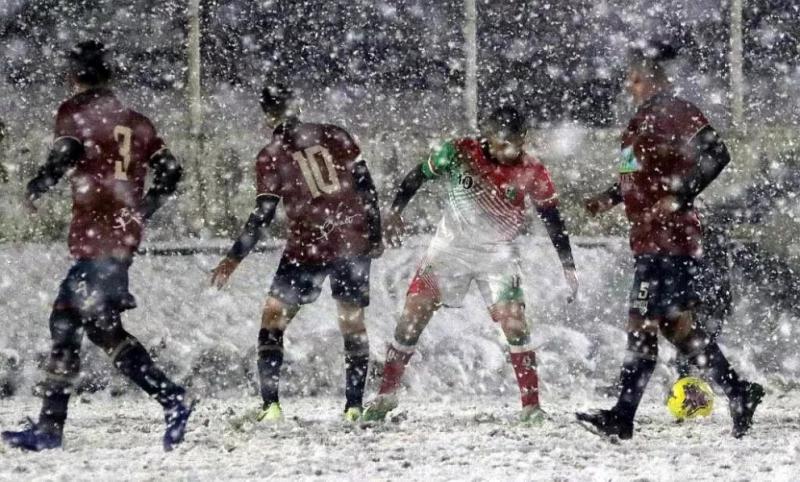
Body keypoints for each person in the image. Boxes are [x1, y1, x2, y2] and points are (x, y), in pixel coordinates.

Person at [2, 41, 192, 452]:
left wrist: (40, 182)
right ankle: (170, 397)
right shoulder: (137, 122)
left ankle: (53, 427)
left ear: (75, 77)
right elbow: (172, 171)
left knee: (65, 320)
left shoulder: (74, 112)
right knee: (100, 329)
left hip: (97, 240)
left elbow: (67, 150)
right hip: (119, 239)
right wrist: (141, 211)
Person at [577, 43, 763, 439]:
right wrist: (608, 199)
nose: (631, 86)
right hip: (648, 240)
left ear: (657, 79)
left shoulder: (673, 110)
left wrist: (681, 195)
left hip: (670, 241)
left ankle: (622, 418)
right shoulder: (638, 122)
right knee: (677, 330)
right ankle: (739, 391)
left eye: (638, 79)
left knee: (640, 325)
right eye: (629, 80)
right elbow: (636, 178)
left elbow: (717, 153)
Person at [362, 106, 578, 424]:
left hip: (496, 255)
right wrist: (395, 211)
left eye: (514, 144)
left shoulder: (532, 170)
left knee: (515, 323)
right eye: (501, 143)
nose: (508, 151)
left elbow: (552, 218)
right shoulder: (460, 152)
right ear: (487, 137)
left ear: (524, 139)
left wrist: (568, 265)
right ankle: (386, 394)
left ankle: (531, 406)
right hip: (449, 251)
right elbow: (418, 175)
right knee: (412, 316)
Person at [210, 83, 382, 422]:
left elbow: (263, 215)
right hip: (350, 239)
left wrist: (233, 257)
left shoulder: (271, 154)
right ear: (297, 105)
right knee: (352, 322)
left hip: (309, 245)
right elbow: (366, 186)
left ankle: (271, 406)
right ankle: (353, 407)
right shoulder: (335, 134)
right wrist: (373, 233)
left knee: (273, 316)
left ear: (266, 116)